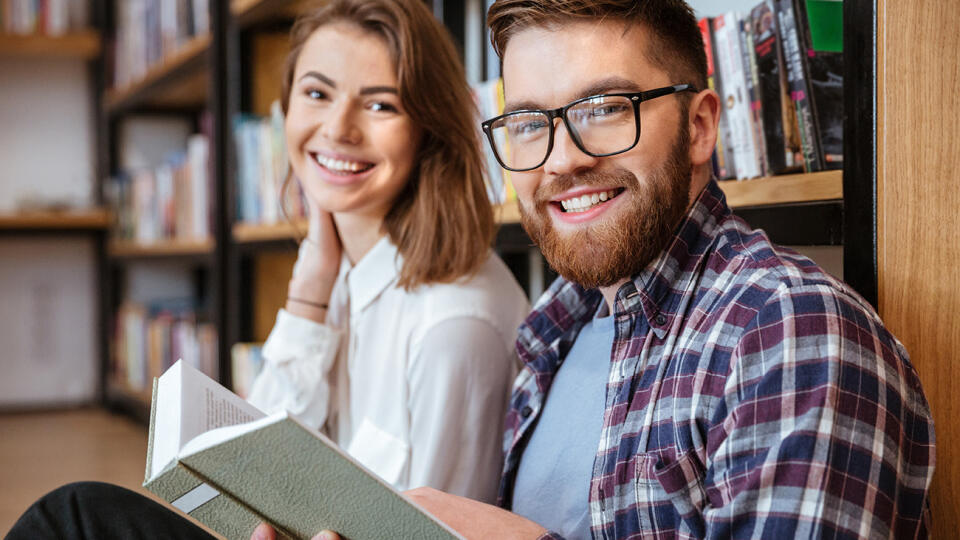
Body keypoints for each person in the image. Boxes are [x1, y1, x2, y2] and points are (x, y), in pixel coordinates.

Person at [369, 1, 935, 539]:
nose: (563, 159)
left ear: (699, 127)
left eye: (607, 109)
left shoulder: (792, 331)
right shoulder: (553, 336)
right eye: (528, 122)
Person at [6, 0, 528, 538]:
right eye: (317, 94)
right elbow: (260, 474)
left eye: (380, 106)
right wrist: (308, 300)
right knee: (73, 512)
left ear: (430, 127)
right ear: (285, 110)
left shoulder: (456, 327)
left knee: (70, 520)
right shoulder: (341, 270)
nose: (338, 128)